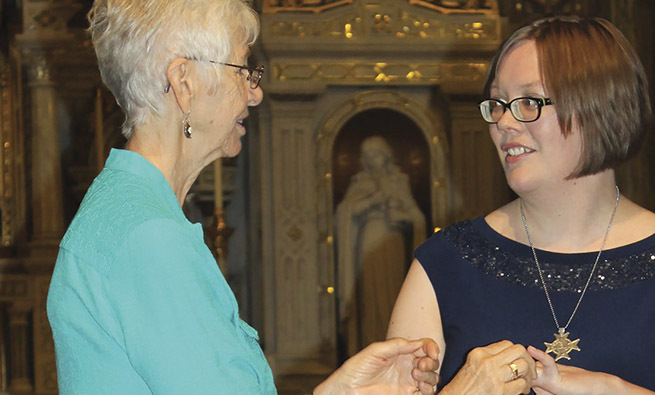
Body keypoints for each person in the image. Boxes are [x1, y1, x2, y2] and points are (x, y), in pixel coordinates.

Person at [45, 1, 440, 394]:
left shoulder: (124, 208)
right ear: (183, 83)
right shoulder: (149, 237)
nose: (256, 94)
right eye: (243, 70)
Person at [387, 15, 655, 395]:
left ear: (599, 106)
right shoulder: (443, 265)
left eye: (528, 101)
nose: (504, 123)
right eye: (497, 103)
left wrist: (611, 390)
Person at [335, 135, 427, 355]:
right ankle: (370, 345)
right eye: (367, 156)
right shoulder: (361, 182)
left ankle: (395, 342)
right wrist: (373, 200)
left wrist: (402, 217)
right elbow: (346, 213)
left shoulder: (398, 180)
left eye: (376, 154)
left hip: (392, 243)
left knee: (393, 294)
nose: (372, 160)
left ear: (385, 156)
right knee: (370, 298)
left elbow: (416, 216)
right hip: (369, 240)